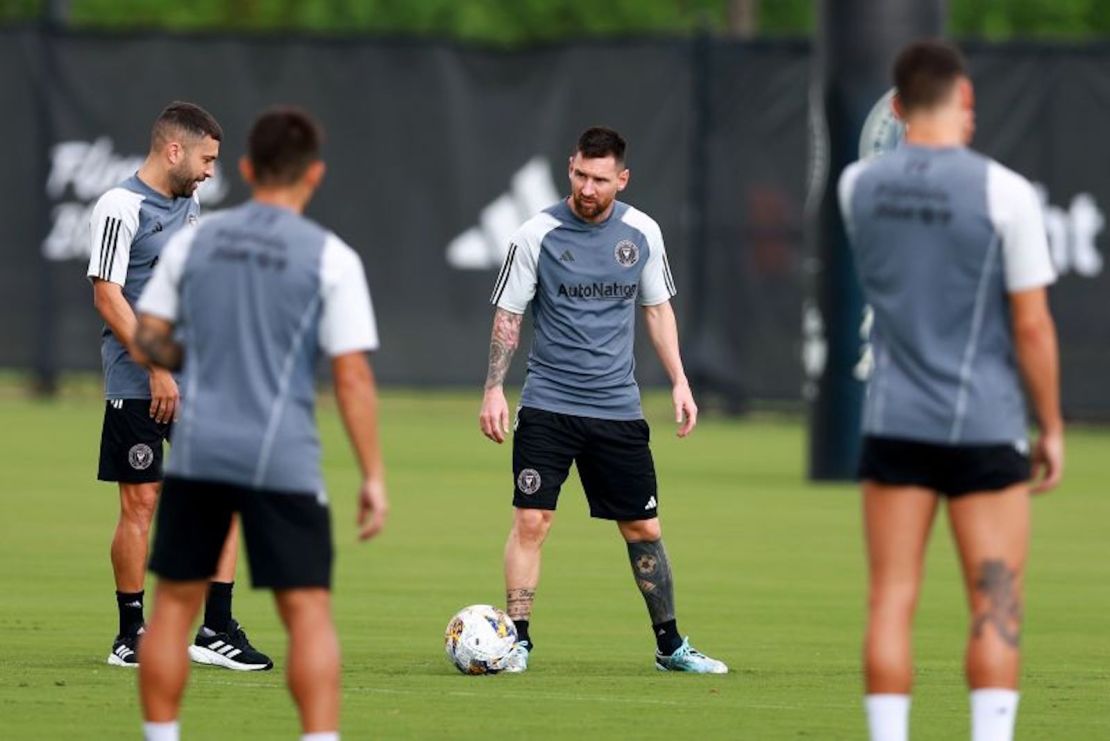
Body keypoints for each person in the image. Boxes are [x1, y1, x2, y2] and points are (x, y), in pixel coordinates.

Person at [132, 106, 387, 741]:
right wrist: (373, 475)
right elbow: (351, 376)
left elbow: (147, 339)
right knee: (307, 616)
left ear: (245, 169)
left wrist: (200, 355)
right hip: (283, 459)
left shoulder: (196, 239)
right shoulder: (331, 258)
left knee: (170, 613)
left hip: (198, 453)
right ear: (315, 175)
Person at [839, 40, 1064, 741]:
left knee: (891, 599)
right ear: (965, 104)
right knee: (994, 602)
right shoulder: (1006, 192)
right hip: (984, 426)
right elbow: (1031, 327)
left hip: (894, 420)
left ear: (898, 107)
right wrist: (1050, 426)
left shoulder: (856, 187)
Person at [479, 126, 727, 675]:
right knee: (532, 521)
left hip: (617, 408)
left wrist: (680, 381)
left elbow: (657, 309)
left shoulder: (641, 232)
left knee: (643, 530)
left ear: (622, 178)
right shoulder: (535, 234)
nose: (587, 188)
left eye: (599, 179)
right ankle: (518, 640)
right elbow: (508, 316)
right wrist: (495, 387)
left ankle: (670, 647)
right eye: (579, 175)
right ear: (570, 167)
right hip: (548, 406)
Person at [86, 101, 272, 671]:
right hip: (138, 379)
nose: (212, 170)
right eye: (207, 158)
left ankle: (216, 628)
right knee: (142, 501)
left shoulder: (189, 204)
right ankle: (129, 634)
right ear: (174, 150)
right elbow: (108, 295)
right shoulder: (119, 206)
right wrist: (157, 368)